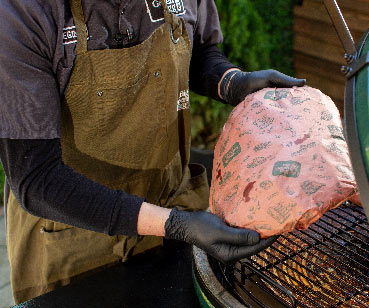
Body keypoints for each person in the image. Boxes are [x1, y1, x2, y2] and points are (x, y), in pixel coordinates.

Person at [0, 0, 305, 303]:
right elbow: (36, 180)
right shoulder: (23, 12)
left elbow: (197, 51)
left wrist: (232, 83)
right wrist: (174, 224)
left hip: (173, 206)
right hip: (72, 240)